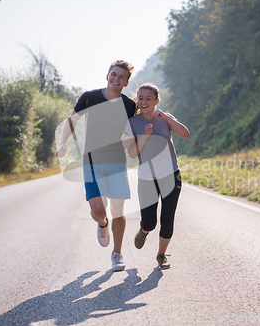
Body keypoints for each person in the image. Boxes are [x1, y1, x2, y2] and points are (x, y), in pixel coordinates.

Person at [56, 60, 136, 272]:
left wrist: (129, 140)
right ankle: (102, 224)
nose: (116, 79)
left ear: (126, 83)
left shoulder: (129, 106)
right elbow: (71, 121)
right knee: (98, 210)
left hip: (117, 163)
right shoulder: (89, 97)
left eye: (121, 77)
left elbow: (131, 133)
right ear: (107, 75)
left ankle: (117, 253)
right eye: (113, 74)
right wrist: (63, 142)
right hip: (91, 163)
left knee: (118, 209)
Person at [122, 83, 190, 269]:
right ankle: (144, 230)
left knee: (167, 218)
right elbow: (132, 154)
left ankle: (161, 255)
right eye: (141, 98)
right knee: (150, 222)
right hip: (146, 178)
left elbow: (185, 134)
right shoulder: (132, 122)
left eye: (148, 98)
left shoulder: (165, 118)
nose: (144, 102)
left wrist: (166, 117)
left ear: (156, 101)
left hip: (171, 175)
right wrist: (143, 136)